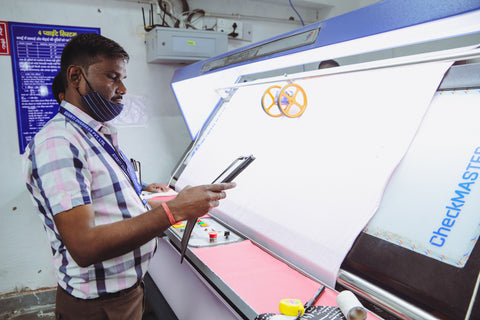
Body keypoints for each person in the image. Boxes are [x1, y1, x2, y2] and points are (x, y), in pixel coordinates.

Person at [22, 33, 236, 320]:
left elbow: (119, 211)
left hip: (126, 294)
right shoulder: (58, 143)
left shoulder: (96, 135)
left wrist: (185, 204)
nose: (122, 88)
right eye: (112, 77)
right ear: (75, 77)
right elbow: (84, 246)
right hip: (98, 307)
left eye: (122, 78)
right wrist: (173, 211)